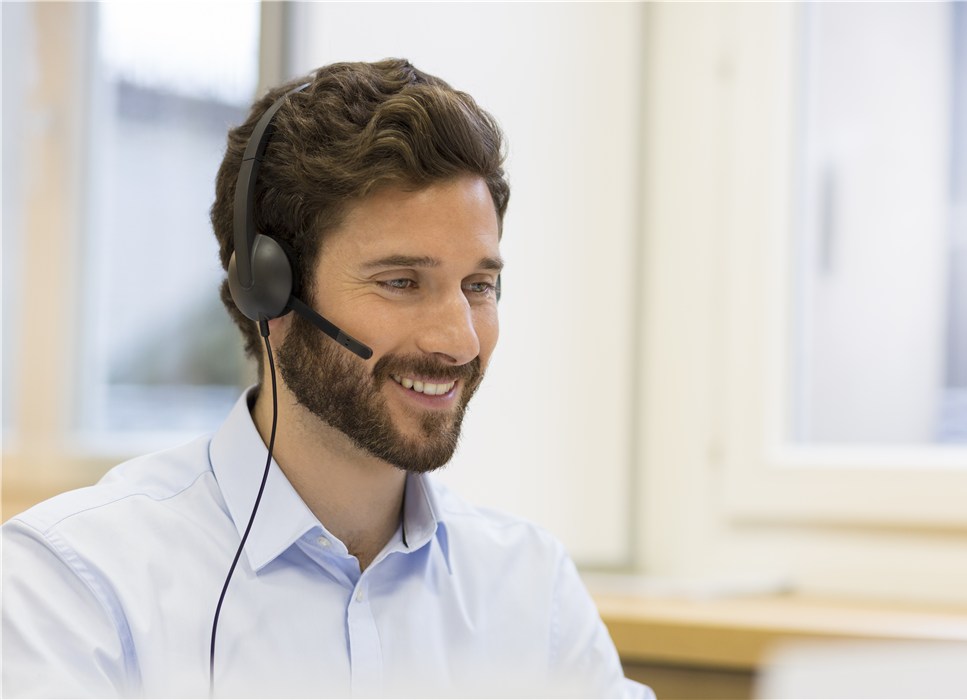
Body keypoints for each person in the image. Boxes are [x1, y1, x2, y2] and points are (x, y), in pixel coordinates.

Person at [2, 60, 652, 698]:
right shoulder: (74, 586)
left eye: (478, 286)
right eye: (401, 282)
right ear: (269, 294)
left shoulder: (532, 592)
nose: (459, 339)